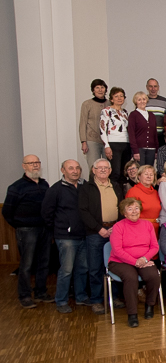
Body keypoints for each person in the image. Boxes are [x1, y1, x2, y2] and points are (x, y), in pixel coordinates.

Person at [78, 158, 124, 314]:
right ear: (93, 170)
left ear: (110, 171)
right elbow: (83, 211)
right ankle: (97, 300)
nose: (103, 170)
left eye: (106, 168)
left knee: (116, 265)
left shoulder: (116, 186)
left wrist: (116, 228)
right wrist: (99, 229)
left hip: (115, 231)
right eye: (100, 168)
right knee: (95, 267)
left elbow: (122, 208)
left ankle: (115, 297)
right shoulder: (86, 188)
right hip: (96, 233)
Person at [40, 160, 86, 313]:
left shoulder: (84, 186)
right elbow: (47, 213)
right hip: (65, 237)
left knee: (82, 268)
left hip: (83, 235)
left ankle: (80, 297)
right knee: (66, 270)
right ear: (63, 170)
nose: (75, 171)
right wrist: (58, 230)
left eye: (77, 168)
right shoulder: (56, 189)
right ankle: (61, 300)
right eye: (70, 168)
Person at [108, 198, 160, 328]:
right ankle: (132, 314)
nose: (134, 211)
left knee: (153, 276)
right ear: (124, 213)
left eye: (136, 208)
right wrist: (135, 261)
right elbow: (117, 250)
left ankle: (150, 305)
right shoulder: (118, 226)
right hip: (120, 261)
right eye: (130, 209)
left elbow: (154, 246)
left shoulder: (147, 225)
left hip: (143, 260)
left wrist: (144, 259)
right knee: (131, 278)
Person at [100, 87, 130, 183]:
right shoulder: (106, 111)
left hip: (126, 144)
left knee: (124, 173)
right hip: (113, 143)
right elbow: (102, 128)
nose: (119, 98)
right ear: (111, 99)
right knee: (115, 172)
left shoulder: (125, 112)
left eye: (121, 96)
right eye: (116, 96)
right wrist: (106, 146)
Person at [79, 79, 109, 167]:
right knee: (94, 166)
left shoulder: (109, 103)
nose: (100, 90)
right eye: (97, 88)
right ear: (93, 90)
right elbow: (82, 123)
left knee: (107, 166)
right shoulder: (87, 104)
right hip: (92, 139)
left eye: (102, 87)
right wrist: (83, 142)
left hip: (107, 141)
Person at [125, 165, 161, 236]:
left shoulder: (155, 192)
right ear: (139, 176)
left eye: (151, 175)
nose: (149, 176)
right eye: (146, 174)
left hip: (155, 230)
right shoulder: (133, 192)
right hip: (139, 229)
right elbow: (129, 214)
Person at [127, 91, 158, 166]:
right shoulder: (133, 115)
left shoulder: (152, 115)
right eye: (139, 99)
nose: (142, 101)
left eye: (144, 99)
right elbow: (131, 134)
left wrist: (156, 150)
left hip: (151, 149)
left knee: (149, 170)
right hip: (139, 149)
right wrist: (135, 150)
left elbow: (154, 134)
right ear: (135, 102)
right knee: (140, 171)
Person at [145, 78, 166, 147]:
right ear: (147, 87)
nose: (153, 89)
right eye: (150, 86)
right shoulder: (143, 100)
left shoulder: (164, 101)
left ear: (158, 88)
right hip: (147, 136)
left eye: (155, 86)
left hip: (161, 136)